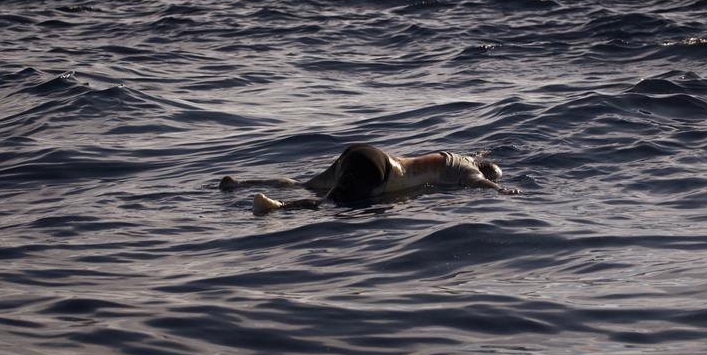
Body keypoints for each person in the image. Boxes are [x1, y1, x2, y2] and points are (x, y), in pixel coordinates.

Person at [219, 144, 519, 214]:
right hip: (379, 168)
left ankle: (240, 184)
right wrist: (503, 191)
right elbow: (483, 184)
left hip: (363, 154)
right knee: (328, 203)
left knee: (306, 184)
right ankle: (277, 208)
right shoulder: (467, 170)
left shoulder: (452, 156)